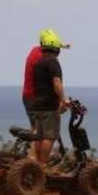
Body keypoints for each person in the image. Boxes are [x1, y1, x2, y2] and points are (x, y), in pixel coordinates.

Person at [28, 29, 71, 166]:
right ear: (55, 48)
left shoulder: (39, 62)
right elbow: (57, 82)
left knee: (38, 135)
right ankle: (43, 163)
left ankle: (37, 165)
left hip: (36, 105)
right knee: (49, 135)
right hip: (49, 106)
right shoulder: (53, 62)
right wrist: (64, 99)